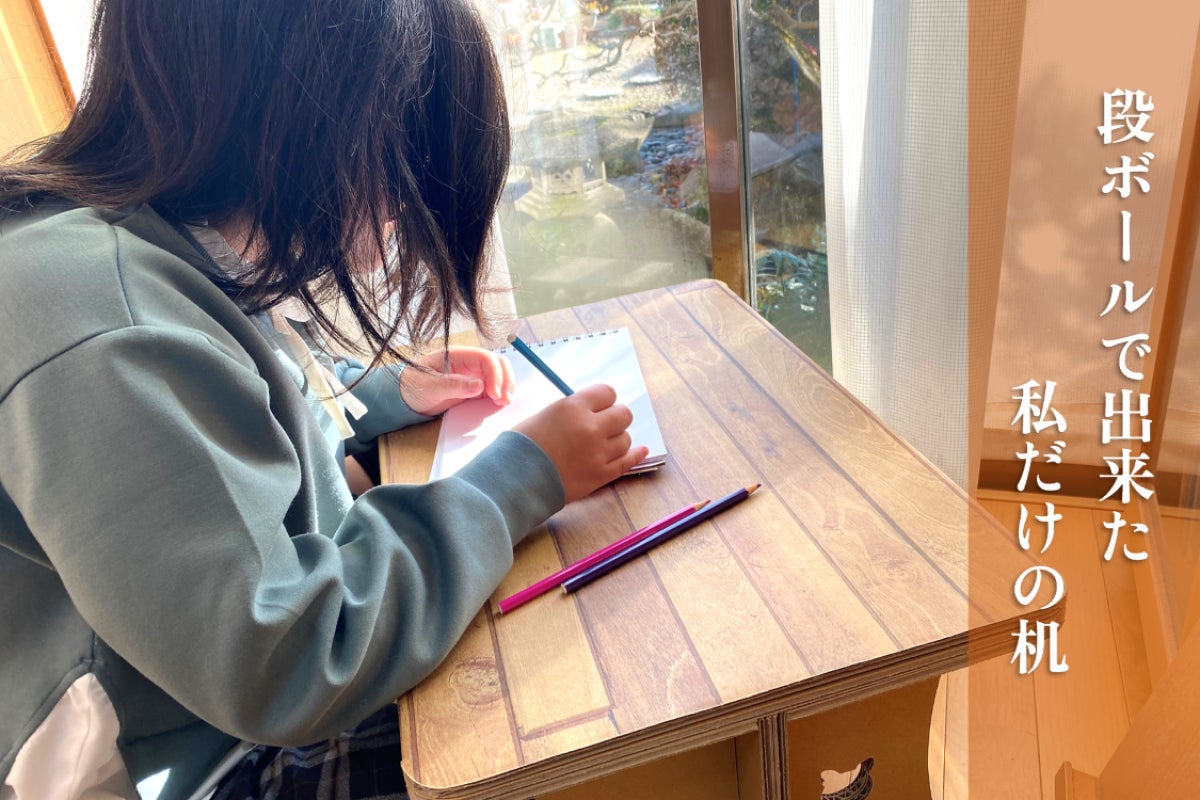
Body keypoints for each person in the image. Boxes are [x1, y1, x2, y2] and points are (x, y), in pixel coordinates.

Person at [0, 1, 647, 799]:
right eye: (401, 160)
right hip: (194, 766)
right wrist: (519, 479)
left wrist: (383, 396)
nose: (403, 211)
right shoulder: (106, 332)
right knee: (562, 709)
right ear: (305, 132)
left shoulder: (143, 250)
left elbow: (233, 415)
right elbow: (288, 659)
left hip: (218, 710)